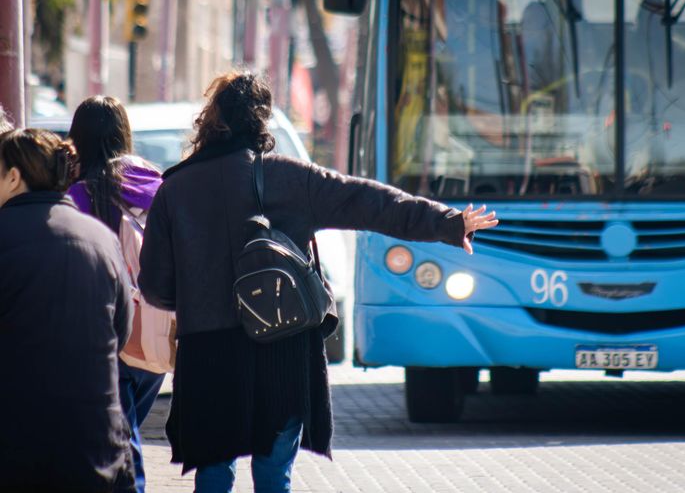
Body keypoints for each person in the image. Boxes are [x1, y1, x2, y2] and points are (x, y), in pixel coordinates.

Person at [137, 71, 498, 492]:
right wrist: (448, 223)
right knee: (274, 476)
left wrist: (199, 295)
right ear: (262, 119)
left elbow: (156, 288)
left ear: (212, 118)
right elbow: (370, 202)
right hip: (283, 352)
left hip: (209, 355)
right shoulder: (292, 178)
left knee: (214, 474)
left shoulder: (175, 189)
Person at [0, 128, 135, 493]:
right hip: (97, 441)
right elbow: (121, 328)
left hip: (16, 443)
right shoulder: (101, 238)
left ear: (14, 177)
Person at [67, 96, 168, 493]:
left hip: (102, 333)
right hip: (156, 332)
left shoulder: (74, 197)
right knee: (127, 432)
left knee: (121, 440)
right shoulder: (158, 187)